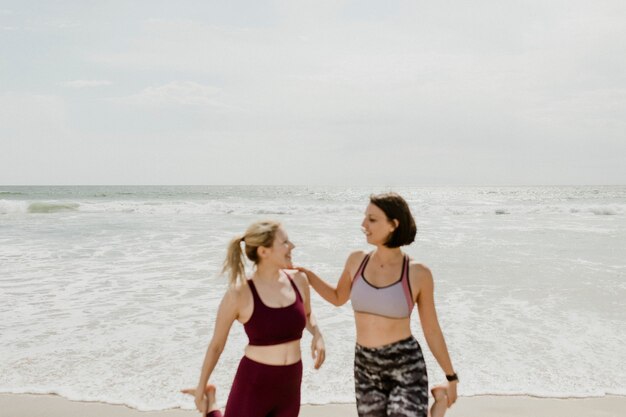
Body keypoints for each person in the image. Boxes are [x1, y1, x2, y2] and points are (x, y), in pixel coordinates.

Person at [297, 192, 457, 417]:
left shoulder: (417, 273)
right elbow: (337, 297)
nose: (364, 224)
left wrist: (451, 376)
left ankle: (439, 403)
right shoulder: (357, 261)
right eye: (365, 218)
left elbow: (431, 329)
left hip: (405, 364)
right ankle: (437, 405)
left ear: (393, 224)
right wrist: (306, 274)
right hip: (365, 365)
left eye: (372, 219)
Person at [182, 220, 325, 417]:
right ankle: (210, 403)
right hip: (255, 383)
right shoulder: (239, 293)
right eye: (285, 242)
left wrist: (317, 334)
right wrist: (200, 386)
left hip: (291, 382)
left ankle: (211, 403)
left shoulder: (299, 280)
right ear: (263, 251)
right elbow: (216, 345)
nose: (292, 246)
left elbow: (307, 314)